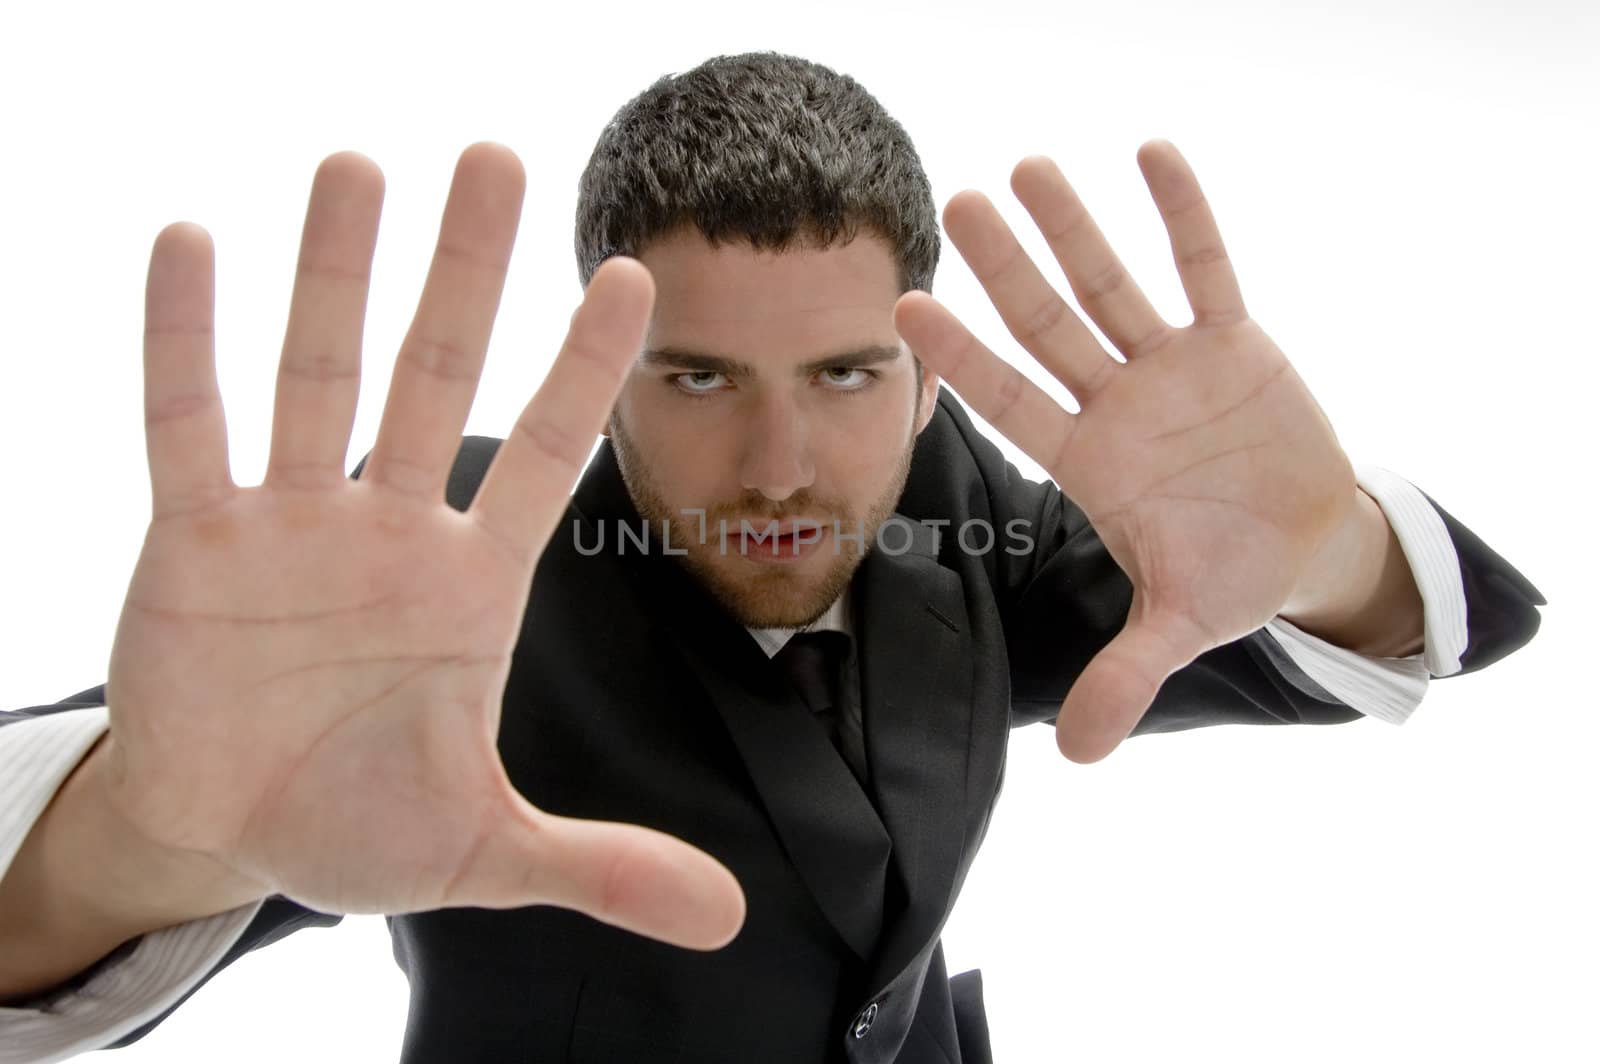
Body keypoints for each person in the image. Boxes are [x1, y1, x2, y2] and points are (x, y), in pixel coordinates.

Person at [0, 52, 1543, 1064]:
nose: (783, 467)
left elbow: (1376, 633)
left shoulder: (952, 505)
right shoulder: (443, 570)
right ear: (602, 369)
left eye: (847, 376)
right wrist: (147, 834)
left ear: (929, 378)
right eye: (697, 377)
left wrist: (1328, 537)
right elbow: (153, 837)